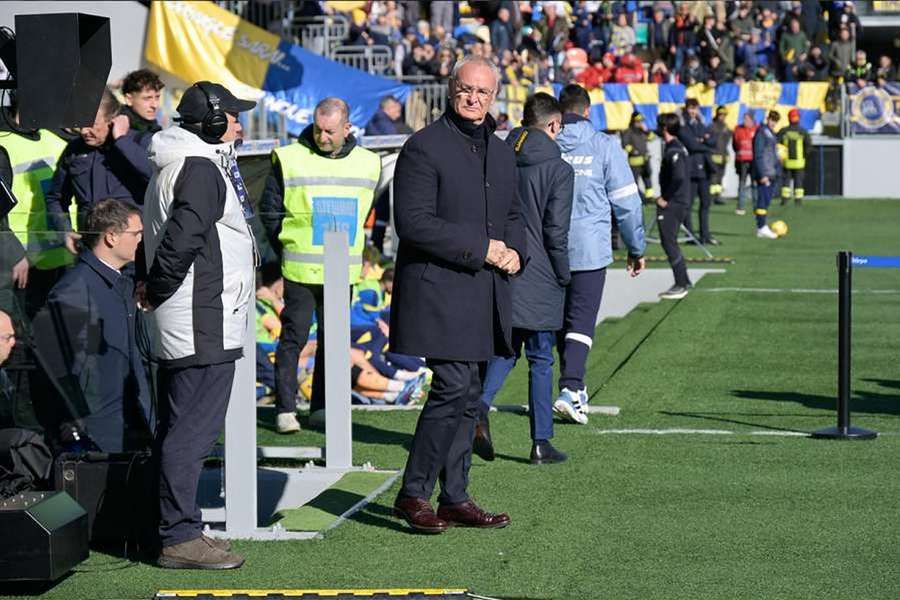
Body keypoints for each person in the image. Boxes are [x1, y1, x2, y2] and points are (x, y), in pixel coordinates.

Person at [389, 56, 524, 534]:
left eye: (483, 93)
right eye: (466, 90)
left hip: (485, 292)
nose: (474, 99)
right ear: (451, 90)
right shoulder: (423, 147)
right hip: (438, 292)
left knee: (470, 397)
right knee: (452, 387)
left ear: (495, 97)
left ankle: (456, 496)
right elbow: (414, 223)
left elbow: (513, 217)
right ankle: (413, 494)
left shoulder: (503, 151)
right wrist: (484, 248)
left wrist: (515, 253)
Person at [143, 81, 257, 569]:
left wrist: (156, 288)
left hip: (196, 315)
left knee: (181, 428)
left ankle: (179, 528)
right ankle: (179, 536)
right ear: (210, 123)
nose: (239, 124)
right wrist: (158, 287)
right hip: (202, 317)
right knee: (191, 433)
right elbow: (182, 240)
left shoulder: (187, 164)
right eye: (232, 116)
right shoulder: (201, 169)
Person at [260, 97, 380, 434]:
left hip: (343, 271)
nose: (322, 136)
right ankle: (285, 409)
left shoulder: (369, 163)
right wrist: (287, 244)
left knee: (335, 341)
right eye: (317, 129)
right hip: (300, 269)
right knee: (293, 339)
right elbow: (270, 209)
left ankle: (322, 408)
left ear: (347, 128)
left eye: (329, 131)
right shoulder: (289, 157)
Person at [474, 92, 573, 465]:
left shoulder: (499, 155)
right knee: (541, 356)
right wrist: (565, 275)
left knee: (505, 346)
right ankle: (540, 441)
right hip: (541, 268)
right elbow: (556, 232)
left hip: (501, 261)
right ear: (552, 125)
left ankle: (479, 408)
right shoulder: (558, 168)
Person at [553, 84, 646, 425]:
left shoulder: (546, 142)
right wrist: (636, 248)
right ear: (588, 111)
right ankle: (571, 388)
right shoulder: (604, 145)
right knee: (580, 320)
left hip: (548, 247)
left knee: (556, 322)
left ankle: (568, 388)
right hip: (589, 248)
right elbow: (627, 202)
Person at [33, 199, 151, 453]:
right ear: (111, 237)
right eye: (136, 233)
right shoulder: (72, 291)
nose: (142, 240)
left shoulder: (123, 285)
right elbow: (58, 369)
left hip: (130, 422)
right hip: (97, 436)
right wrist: (78, 422)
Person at [45, 87, 154, 255]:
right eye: (80, 124)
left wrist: (122, 142)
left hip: (133, 254)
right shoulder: (74, 150)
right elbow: (56, 198)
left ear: (113, 119)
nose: (83, 131)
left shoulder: (138, 141)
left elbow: (154, 175)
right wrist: (64, 231)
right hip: (89, 251)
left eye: (91, 124)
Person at [0, 98, 68, 318]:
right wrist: (11, 251)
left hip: (55, 258)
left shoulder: (56, 141)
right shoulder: (4, 142)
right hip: (16, 259)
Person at [655, 113, 693, 300]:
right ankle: (684, 279)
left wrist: (665, 198)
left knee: (668, 241)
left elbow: (678, 177)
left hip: (674, 202)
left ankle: (680, 284)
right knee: (671, 241)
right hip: (680, 200)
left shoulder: (674, 150)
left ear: (664, 128)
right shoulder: (676, 147)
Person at [678, 98, 719, 246]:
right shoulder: (683, 126)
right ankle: (690, 235)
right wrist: (704, 143)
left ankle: (704, 235)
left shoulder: (702, 124)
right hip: (691, 169)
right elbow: (691, 145)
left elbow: (714, 139)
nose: (692, 111)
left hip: (704, 170)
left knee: (705, 204)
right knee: (688, 204)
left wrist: (703, 141)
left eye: (695, 108)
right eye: (690, 108)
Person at [752, 110, 781, 239]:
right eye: (771, 119)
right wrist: (762, 174)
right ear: (767, 119)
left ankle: (763, 226)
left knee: (767, 201)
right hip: (765, 173)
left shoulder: (772, 134)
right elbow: (758, 155)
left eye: (775, 120)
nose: (773, 123)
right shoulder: (761, 133)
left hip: (772, 172)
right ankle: (761, 227)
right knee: (762, 200)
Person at [777, 108, 812, 206]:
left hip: (786, 162)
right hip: (799, 162)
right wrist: (804, 156)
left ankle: (784, 199)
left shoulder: (784, 131)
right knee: (798, 182)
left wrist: (780, 157)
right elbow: (808, 145)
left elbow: (776, 144)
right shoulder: (803, 132)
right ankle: (798, 200)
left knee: (786, 182)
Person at [120, 68, 164, 143]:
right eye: (147, 98)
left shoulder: (156, 130)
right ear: (129, 99)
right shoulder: (118, 130)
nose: (155, 105)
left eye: (157, 97)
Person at [621, 112, 655, 203]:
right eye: (638, 121)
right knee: (634, 182)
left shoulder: (643, 131)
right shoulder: (628, 131)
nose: (640, 123)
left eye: (641, 121)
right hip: (634, 162)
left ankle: (649, 198)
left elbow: (651, 137)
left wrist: (646, 130)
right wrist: (633, 151)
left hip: (645, 160)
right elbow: (625, 144)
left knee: (647, 180)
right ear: (633, 121)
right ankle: (638, 198)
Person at [732, 111, 758, 216]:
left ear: (752, 120)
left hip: (753, 161)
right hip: (742, 161)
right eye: (744, 119)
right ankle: (740, 207)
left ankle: (756, 207)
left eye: (747, 119)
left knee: (754, 184)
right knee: (742, 183)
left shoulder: (757, 129)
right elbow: (735, 145)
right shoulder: (738, 129)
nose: (745, 121)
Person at [709, 106, 732, 206]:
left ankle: (717, 196)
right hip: (714, 155)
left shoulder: (726, 127)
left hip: (723, 155)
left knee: (720, 177)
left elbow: (729, 138)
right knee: (713, 177)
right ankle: (711, 197)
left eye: (724, 115)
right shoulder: (712, 126)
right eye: (720, 115)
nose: (722, 117)